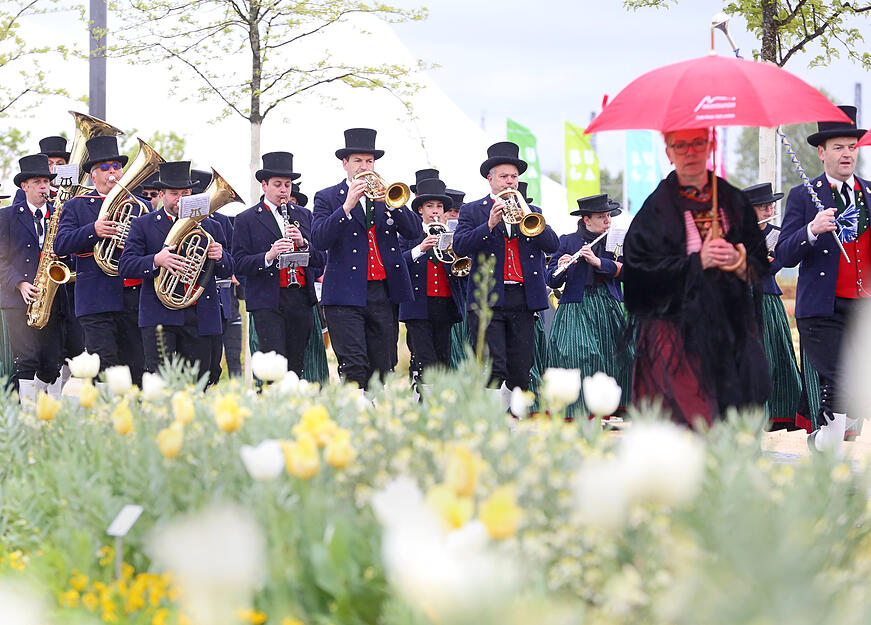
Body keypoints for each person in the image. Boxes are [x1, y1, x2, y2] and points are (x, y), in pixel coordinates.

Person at [622, 128, 769, 428]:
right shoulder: (656, 209)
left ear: (711, 145)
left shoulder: (732, 200)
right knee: (694, 420)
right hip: (674, 332)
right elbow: (636, 271)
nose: (691, 152)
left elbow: (759, 262)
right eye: (681, 145)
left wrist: (739, 262)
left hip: (727, 329)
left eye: (698, 143)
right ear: (668, 152)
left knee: (732, 417)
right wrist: (696, 263)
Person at [777, 105, 871, 452]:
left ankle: (823, 440)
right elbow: (785, 254)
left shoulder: (870, 193)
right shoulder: (804, 196)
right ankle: (827, 444)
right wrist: (811, 230)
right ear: (821, 152)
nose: (847, 154)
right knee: (839, 378)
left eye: (852, 147)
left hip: (863, 306)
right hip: (822, 309)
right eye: (838, 147)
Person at [311, 128, 419, 390]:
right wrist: (346, 206)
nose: (364, 166)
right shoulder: (327, 197)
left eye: (369, 161)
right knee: (354, 364)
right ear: (345, 163)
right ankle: (355, 419)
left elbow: (414, 231)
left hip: (382, 292)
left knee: (383, 365)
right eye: (358, 161)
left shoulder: (386, 194)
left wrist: (396, 205)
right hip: (344, 295)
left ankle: (377, 420)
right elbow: (319, 239)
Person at [453, 141, 559, 398]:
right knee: (493, 367)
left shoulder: (532, 211)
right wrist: (489, 224)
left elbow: (553, 244)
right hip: (488, 297)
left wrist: (528, 219)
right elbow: (460, 245)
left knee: (522, 369)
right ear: (490, 179)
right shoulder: (473, 210)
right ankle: (496, 423)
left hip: (523, 298)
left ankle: (511, 418)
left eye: (514, 176)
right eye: (504, 177)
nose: (510, 182)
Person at [118, 161, 233, 378]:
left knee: (198, 382)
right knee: (161, 381)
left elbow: (228, 269)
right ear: (161, 194)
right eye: (174, 193)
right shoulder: (143, 224)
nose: (180, 199)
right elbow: (125, 266)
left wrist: (220, 257)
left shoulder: (211, 226)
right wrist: (156, 260)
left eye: (185, 192)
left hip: (201, 316)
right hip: (160, 316)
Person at [54, 135, 146, 385]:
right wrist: (94, 230)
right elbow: (60, 244)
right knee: (105, 366)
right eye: (104, 168)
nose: (112, 172)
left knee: (136, 366)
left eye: (116, 167)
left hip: (134, 297)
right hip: (96, 298)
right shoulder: (77, 206)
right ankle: (106, 419)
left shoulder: (140, 206)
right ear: (93, 176)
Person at [232, 152, 319, 377]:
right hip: (268, 301)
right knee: (274, 363)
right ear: (264, 185)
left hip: (300, 297)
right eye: (278, 184)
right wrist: (269, 256)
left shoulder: (304, 215)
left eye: (288, 185)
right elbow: (238, 263)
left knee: (296, 363)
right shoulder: (247, 219)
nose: (284, 190)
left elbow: (321, 258)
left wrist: (303, 244)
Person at [546, 194, 631, 419]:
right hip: (576, 306)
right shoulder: (567, 241)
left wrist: (599, 262)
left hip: (609, 306)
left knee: (619, 356)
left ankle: (615, 410)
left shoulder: (617, 240)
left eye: (608, 216)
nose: (607, 221)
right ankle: (579, 413)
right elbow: (551, 280)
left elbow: (630, 272)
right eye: (601, 217)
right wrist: (562, 266)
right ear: (586, 220)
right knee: (579, 355)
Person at [0, 154, 64, 400]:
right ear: (24, 186)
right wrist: (20, 283)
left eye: (47, 181)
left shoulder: (59, 215)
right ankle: (28, 416)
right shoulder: (6, 217)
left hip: (52, 299)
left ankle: (44, 407)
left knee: (51, 362)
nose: (44, 186)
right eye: (38, 181)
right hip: (18, 299)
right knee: (25, 361)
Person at [742, 182, 802, 431]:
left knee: (772, 357)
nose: (769, 211)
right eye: (763, 207)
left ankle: (775, 414)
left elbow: (773, 266)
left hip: (766, 301)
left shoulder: (778, 234)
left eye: (771, 206)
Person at [399, 178, 463, 382]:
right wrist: (421, 248)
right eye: (429, 206)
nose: (435, 211)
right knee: (425, 361)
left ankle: (440, 406)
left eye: (439, 206)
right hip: (418, 305)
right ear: (420, 210)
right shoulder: (410, 233)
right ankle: (425, 404)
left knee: (443, 361)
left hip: (445, 304)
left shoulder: (452, 234)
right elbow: (398, 263)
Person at [191, 168, 242, 382]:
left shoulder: (220, 222)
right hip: (195, 292)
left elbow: (232, 256)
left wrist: (223, 259)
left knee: (225, 352)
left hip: (221, 294)